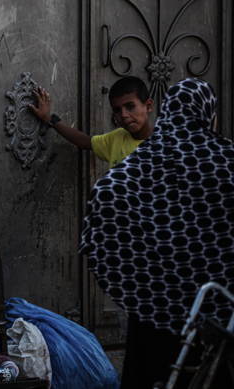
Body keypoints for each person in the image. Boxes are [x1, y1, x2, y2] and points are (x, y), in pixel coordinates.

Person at [80, 78, 234, 388]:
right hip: (206, 301)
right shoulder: (219, 158)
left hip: (152, 295)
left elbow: (107, 197)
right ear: (210, 117)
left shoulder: (146, 159)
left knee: (150, 368)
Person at [29, 76, 154, 168]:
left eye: (130, 107)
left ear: (148, 106)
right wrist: (49, 119)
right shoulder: (118, 138)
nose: (123, 115)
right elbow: (85, 141)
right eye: (117, 110)